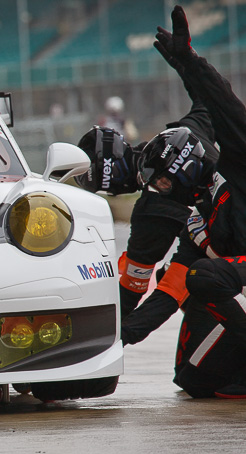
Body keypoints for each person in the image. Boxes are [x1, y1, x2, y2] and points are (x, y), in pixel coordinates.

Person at [121, 5, 246, 399]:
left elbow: (223, 102)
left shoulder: (237, 160)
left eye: (160, 180)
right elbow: (168, 294)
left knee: (204, 277)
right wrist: (112, 337)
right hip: (236, 273)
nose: (156, 189)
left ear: (184, 171)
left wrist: (190, 61)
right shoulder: (197, 219)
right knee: (191, 380)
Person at [75, 85, 217, 320]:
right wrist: (187, 64)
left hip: (228, 259)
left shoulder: (149, 213)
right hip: (231, 225)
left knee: (176, 279)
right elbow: (211, 95)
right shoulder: (184, 132)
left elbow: (133, 288)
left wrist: (109, 331)